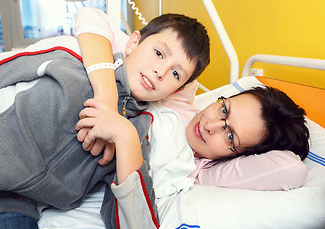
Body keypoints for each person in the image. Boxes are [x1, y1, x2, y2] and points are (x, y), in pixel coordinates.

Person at [0, 12, 210, 229]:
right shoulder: (71, 59)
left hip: (6, 210)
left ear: (176, 90)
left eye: (176, 74)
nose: (161, 72)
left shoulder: (137, 135)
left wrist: (124, 136)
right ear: (134, 42)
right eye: (159, 53)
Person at [74, 7, 309, 191]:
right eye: (224, 111)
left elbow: (291, 169)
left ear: (237, 156)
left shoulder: (199, 169)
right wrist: (107, 99)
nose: (210, 126)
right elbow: (92, 17)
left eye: (229, 136)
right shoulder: (175, 92)